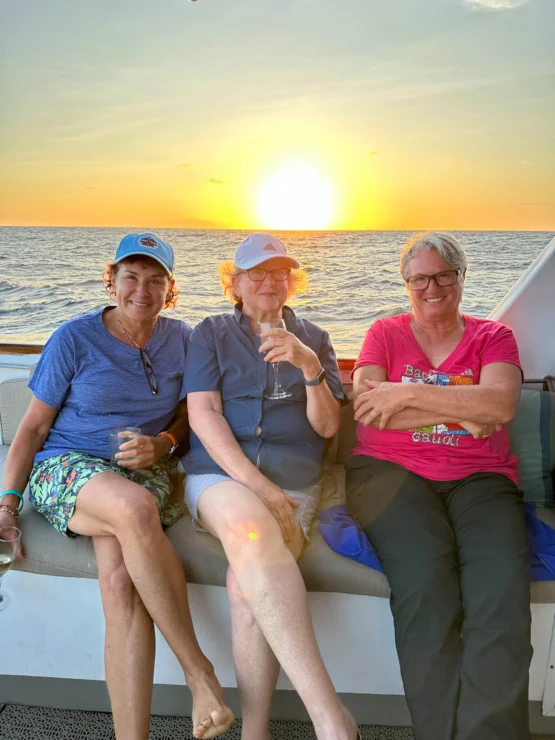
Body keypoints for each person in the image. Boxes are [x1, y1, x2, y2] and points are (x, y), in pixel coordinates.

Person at [0, 233, 234, 740]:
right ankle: (200, 672)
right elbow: (32, 430)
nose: (141, 290)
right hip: (69, 465)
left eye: (155, 280)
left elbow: (190, 414)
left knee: (122, 583)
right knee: (131, 509)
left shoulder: (183, 339)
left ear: (170, 290)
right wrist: (7, 505)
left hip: (145, 468)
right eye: (131, 276)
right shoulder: (74, 338)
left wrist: (165, 444)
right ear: (112, 280)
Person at [346, 231, 532, 740]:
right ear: (406, 284)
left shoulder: (493, 338)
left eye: (443, 274)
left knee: (500, 596)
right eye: (420, 278)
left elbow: (500, 407)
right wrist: (466, 408)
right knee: (426, 589)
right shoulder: (384, 332)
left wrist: (405, 394)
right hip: (390, 475)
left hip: (482, 477)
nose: (433, 287)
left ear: (461, 276)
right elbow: (366, 410)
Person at [181, 233, 360, 740]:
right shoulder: (211, 333)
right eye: (256, 273)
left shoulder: (316, 339)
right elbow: (204, 414)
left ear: (292, 281)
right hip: (220, 476)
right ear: (234, 283)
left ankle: (254, 732)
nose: (269, 282)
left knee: (244, 588)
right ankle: (331, 718)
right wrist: (258, 485)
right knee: (250, 523)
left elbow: (327, 429)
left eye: (279, 272)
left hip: (297, 482)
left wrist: (310, 369)